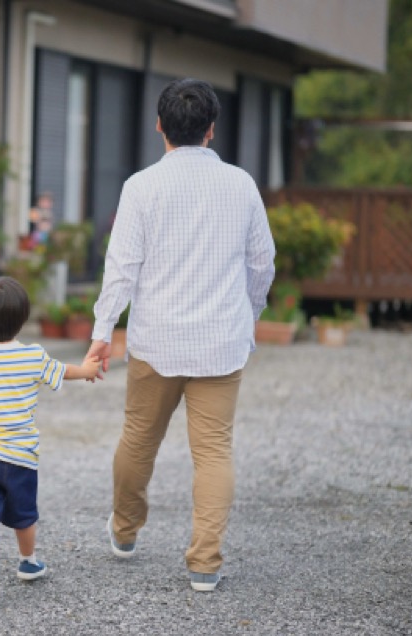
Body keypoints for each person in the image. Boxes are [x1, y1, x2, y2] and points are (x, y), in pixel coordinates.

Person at [87, 79, 276, 593]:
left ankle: (125, 533)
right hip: (222, 341)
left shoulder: (141, 186)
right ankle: (205, 563)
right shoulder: (241, 184)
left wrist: (102, 330)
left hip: (156, 340)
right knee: (214, 451)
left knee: (138, 440)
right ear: (212, 129)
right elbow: (263, 262)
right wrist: (248, 314)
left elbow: (121, 268)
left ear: (159, 127)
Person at [0, 277, 101, 609]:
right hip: (20, 454)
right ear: (23, 318)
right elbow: (61, 371)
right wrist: (87, 369)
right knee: (24, 514)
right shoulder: (32, 355)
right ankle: (28, 561)